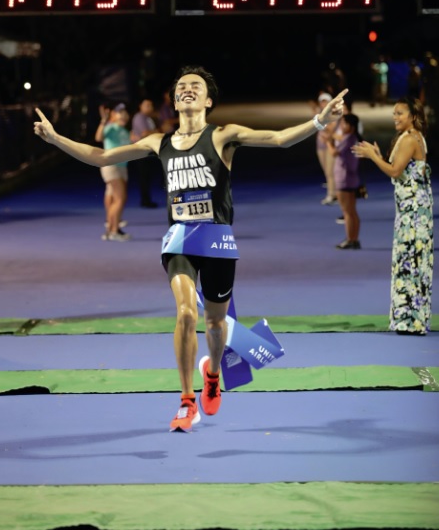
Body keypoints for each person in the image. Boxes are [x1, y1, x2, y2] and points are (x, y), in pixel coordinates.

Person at [35, 66, 347, 430]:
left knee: (215, 324)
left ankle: (212, 374)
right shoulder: (158, 141)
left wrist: (320, 122)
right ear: (175, 99)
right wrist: (57, 139)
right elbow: (101, 156)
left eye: (195, 86)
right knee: (185, 313)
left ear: (208, 100)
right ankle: (186, 401)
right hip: (179, 239)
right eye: (181, 86)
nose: (187, 90)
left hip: (217, 239)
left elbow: (278, 139)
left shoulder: (223, 136)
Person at [352, 96, 433, 335]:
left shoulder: (409, 139)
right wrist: (381, 157)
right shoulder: (412, 137)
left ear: (413, 117)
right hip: (412, 210)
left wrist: (373, 157)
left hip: (413, 213)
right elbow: (400, 168)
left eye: (400, 113)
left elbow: (396, 171)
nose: (395, 117)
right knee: (412, 261)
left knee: (410, 261)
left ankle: (410, 321)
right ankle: (410, 319)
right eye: (394, 113)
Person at [95, 103, 131, 241]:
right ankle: (114, 231)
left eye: (124, 112)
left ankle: (110, 229)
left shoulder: (125, 131)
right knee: (120, 198)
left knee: (114, 198)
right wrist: (103, 121)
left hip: (122, 167)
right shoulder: (110, 128)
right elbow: (98, 137)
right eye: (119, 112)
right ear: (113, 115)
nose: (123, 115)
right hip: (112, 166)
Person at [327, 113, 362, 249]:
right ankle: (354, 239)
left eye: (344, 123)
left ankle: (350, 239)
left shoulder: (348, 139)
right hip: (352, 178)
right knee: (352, 211)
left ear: (351, 126)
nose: (342, 126)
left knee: (347, 212)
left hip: (344, 179)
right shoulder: (353, 138)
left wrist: (329, 143)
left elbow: (334, 153)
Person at [130, 98, 160, 208]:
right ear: (140, 106)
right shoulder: (139, 117)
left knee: (147, 176)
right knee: (144, 177)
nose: (150, 107)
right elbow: (145, 133)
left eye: (151, 105)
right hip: (141, 152)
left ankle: (147, 199)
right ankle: (145, 200)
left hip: (147, 151)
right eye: (147, 105)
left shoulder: (148, 118)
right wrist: (159, 130)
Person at [311, 92, 338, 205]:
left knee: (330, 171)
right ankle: (333, 193)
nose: (324, 103)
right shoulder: (318, 115)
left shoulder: (334, 114)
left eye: (326, 101)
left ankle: (332, 195)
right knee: (326, 172)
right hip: (320, 144)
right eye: (322, 101)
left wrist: (327, 133)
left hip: (330, 144)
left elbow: (332, 129)